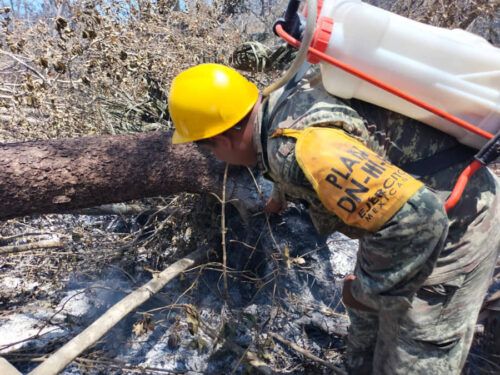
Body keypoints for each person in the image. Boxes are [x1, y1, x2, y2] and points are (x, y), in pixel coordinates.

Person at [168, 63, 500, 374]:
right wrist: (279, 197)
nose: (214, 156)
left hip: (456, 220)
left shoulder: (295, 148)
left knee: (416, 349)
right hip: (393, 212)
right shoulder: (279, 103)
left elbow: (420, 220)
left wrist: (368, 291)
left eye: (209, 149)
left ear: (223, 139)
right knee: (365, 327)